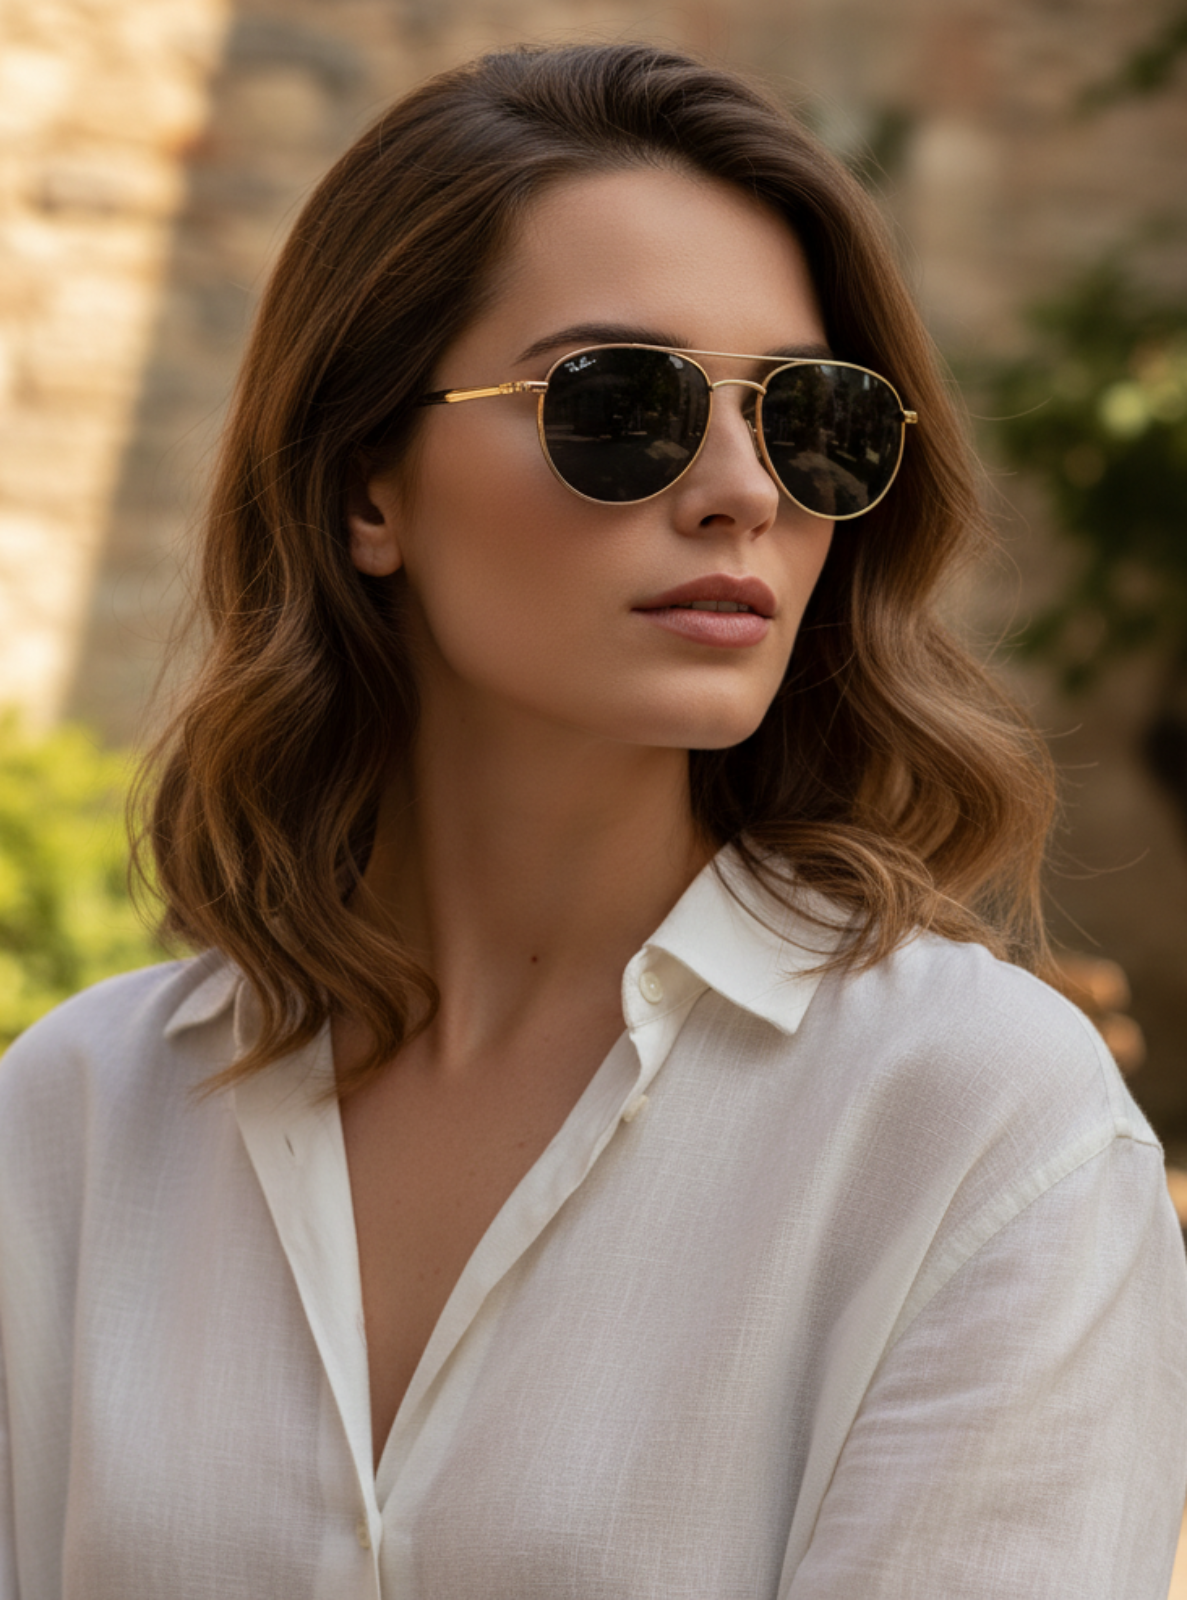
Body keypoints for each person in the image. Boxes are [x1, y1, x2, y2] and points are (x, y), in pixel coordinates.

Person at [1, 40, 1184, 1600]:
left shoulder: (977, 1128)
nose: (740, 488)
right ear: (370, 486)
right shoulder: (78, 1124)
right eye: (619, 404)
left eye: (810, 416)